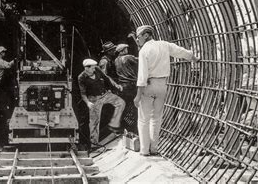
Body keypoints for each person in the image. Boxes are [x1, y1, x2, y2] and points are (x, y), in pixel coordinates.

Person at [134, 25, 200, 156]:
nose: (137, 40)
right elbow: (181, 52)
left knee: (143, 119)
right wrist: (194, 58)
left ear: (146, 35)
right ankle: (154, 149)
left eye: (139, 37)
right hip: (162, 85)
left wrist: (138, 95)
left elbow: (142, 76)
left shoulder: (143, 51)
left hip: (148, 85)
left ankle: (144, 150)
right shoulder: (164, 45)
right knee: (156, 118)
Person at [78, 59, 126, 146]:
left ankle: (114, 123)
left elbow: (107, 78)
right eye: (92, 68)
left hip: (105, 94)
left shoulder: (97, 69)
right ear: (86, 68)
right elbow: (83, 93)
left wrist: (116, 86)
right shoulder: (81, 77)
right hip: (94, 99)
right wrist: (87, 102)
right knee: (94, 121)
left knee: (121, 103)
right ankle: (94, 144)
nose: (94, 69)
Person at [114, 44, 138, 133]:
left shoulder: (116, 60)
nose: (127, 50)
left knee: (124, 107)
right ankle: (135, 129)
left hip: (122, 87)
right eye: (126, 49)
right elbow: (141, 60)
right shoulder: (128, 57)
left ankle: (119, 128)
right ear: (123, 50)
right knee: (136, 106)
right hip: (131, 86)